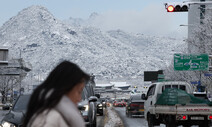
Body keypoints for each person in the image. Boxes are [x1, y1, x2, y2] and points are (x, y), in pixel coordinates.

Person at [23, 61, 90, 127]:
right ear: (66, 88)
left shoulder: (58, 115)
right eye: (79, 92)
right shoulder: (50, 118)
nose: (80, 98)